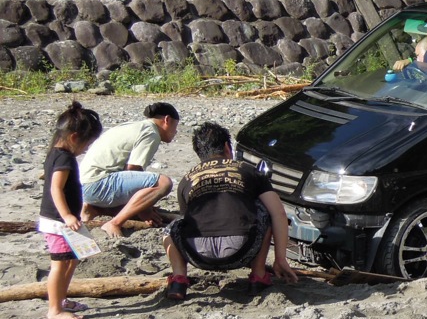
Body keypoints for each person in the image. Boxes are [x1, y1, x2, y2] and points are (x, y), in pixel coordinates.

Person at [162, 121, 299, 301]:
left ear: (199, 154)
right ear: (228, 147)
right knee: (264, 210)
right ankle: (258, 276)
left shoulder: (187, 179)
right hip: (241, 251)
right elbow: (279, 213)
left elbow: (186, 219)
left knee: (172, 226)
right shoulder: (248, 171)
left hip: (198, 256)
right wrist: (281, 259)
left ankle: (179, 278)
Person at [38, 102, 103, 319]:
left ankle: (61, 299)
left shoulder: (56, 154)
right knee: (60, 263)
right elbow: (56, 188)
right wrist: (67, 215)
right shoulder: (64, 158)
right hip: (58, 222)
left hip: (66, 220)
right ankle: (54, 309)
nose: (86, 149)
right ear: (74, 137)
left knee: (73, 258)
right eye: (87, 144)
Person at [80, 102, 180, 238]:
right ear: (167, 120)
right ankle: (115, 223)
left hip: (84, 186)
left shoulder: (132, 126)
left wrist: (143, 206)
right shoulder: (151, 132)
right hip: (97, 184)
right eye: (175, 126)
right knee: (163, 183)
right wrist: (145, 210)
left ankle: (94, 208)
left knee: (136, 205)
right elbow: (134, 169)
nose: (175, 131)